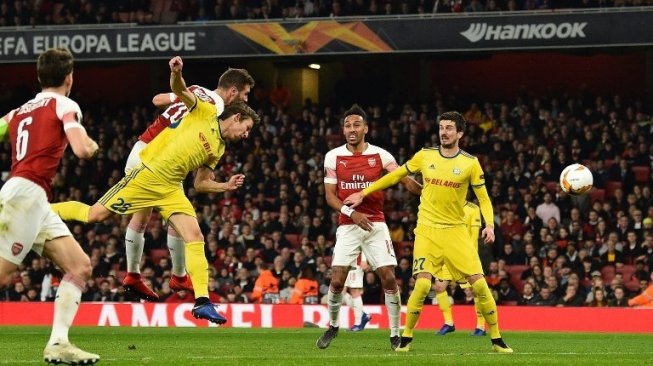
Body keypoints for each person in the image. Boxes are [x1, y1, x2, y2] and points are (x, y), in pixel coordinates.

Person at [52, 56, 260, 325]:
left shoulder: (219, 148)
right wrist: (176, 73)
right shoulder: (208, 109)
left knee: (195, 235)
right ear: (238, 116)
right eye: (247, 128)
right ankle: (44, 209)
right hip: (148, 174)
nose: (247, 135)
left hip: (172, 187)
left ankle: (202, 301)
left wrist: (225, 186)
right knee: (95, 215)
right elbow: (179, 91)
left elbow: (199, 183)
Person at [345, 111, 512, 353]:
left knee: (479, 286)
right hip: (427, 230)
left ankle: (496, 339)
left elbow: (483, 199)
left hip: (455, 232)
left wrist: (489, 225)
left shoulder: (470, 163)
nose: (444, 132)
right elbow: (396, 175)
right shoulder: (425, 156)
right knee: (422, 286)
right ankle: (406, 338)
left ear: (460, 133)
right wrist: (364, 193)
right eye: (442, 127)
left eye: (449, 128)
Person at [0, 48, 100, 364]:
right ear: (69, 77)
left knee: (79, 266)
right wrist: (92, 145)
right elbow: (82, 150)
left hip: (34, 199)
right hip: (26, 194)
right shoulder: (65, 104)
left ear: (40, 76)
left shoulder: (17, 111)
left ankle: (58, 343)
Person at [121, 67, 255, 301]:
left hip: (142, 147)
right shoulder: (217, 109)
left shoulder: (196, 90)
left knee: (144, 218)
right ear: (233, 91)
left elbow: (158, 100)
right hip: (156, 158)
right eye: (244, 95)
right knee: (179, 218)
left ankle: (136, 274)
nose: (245, 100)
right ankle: (177, 275)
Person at [316, 104, 421, 351]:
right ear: (343, 129)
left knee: (388, 277)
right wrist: (352, 214)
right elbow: (331, 197)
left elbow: (405, 181)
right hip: (348, 223)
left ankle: (395, 334)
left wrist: (429, 189)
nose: (351, 129)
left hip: (376, 224)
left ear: (366, 128)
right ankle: (332, 326)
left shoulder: (382, 156)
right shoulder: (333, 156)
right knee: (338, 278)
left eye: (356, 125)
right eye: (347, 125)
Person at [433, 200, 487, 337]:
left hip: (464, 255)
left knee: (473, 290)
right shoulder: (445, 205)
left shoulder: (473, 209)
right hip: (447, 254)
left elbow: (474, 237)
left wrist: (471, 257)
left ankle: (481, 326)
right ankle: (449, 323)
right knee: (439, 287)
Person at [343, 253, 371, 331]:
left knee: (354, 291)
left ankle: (358, 324)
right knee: (342, 291)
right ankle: (363, 315)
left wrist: (363, 260)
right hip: (345, 263)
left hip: (355, 263)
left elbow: (362, 241)